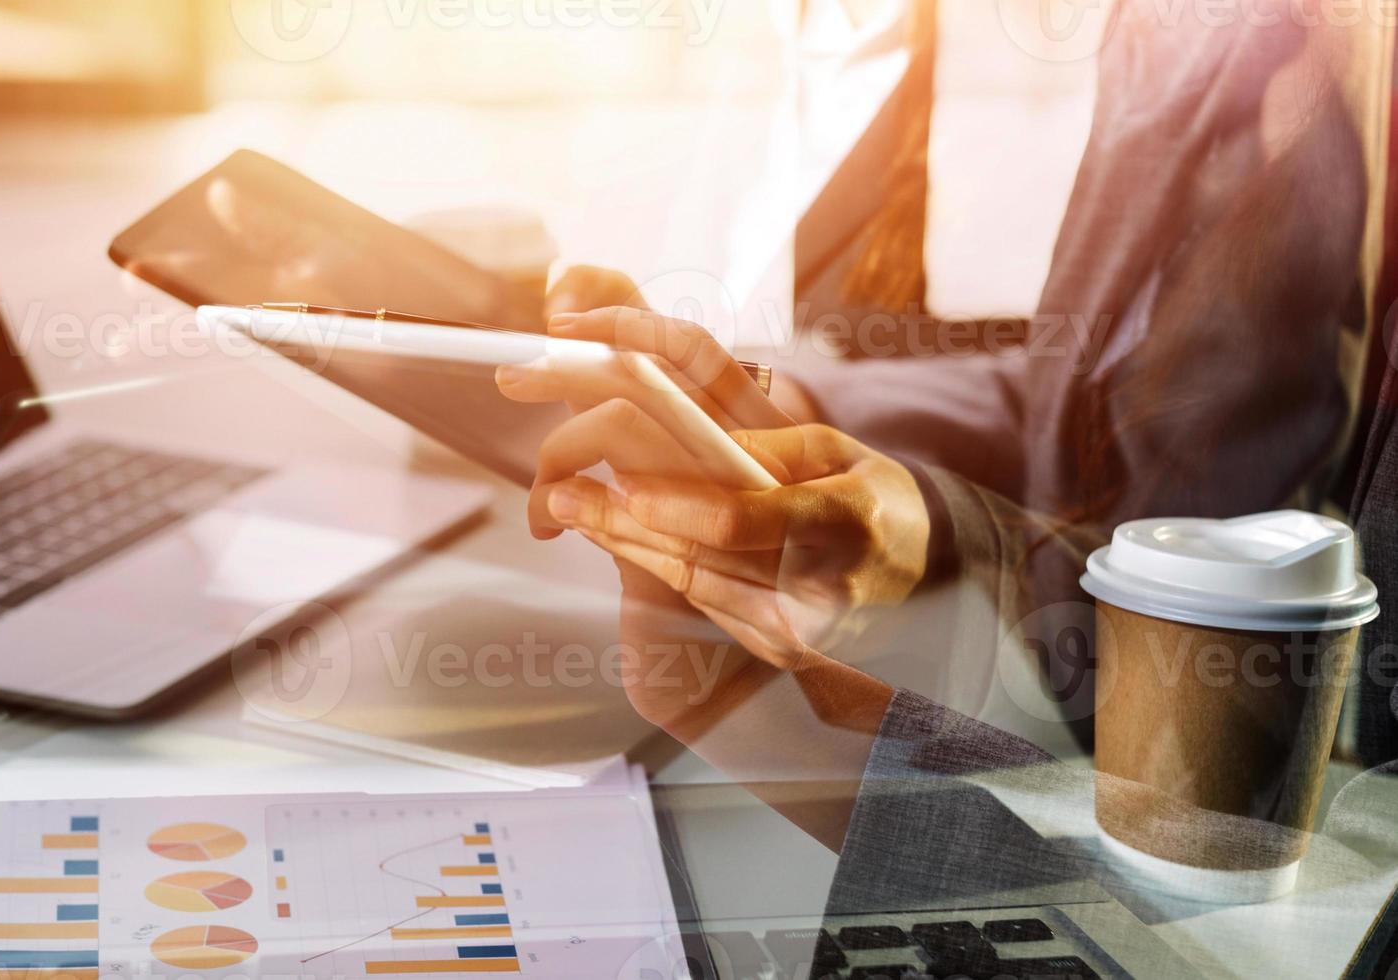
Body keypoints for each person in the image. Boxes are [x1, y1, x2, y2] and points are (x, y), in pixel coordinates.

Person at [486, 0, 1396, 957]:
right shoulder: (1186, 31)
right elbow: (1078, 385)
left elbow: (1286, 856)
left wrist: (927, 585)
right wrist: (808, 426)